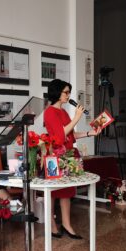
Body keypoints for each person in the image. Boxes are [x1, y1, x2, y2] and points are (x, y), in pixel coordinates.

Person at [44, 79, 101, 239]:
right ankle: (52, 225)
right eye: (66, 92)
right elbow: (59, 136)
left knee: (67, 191)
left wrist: (90, 133)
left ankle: (67, 225)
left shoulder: (63, 112)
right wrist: (77, 117)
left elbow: (71, 134)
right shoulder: (50, 112)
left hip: (69, 154)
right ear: (57, 92)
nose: (68, 95)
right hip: (56, 156)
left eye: (69, 92)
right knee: (53, 192)